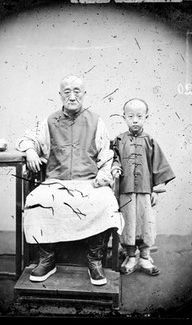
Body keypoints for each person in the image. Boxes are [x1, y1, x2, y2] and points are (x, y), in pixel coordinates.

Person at [16, 75, 124, 285]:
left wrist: (103, 175)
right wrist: (30, 150)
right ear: (60, 95)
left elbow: (106, 157)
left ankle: (94, 261)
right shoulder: (49, 121)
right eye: (67, 92)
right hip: (57, 181)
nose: (72, 96)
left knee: (107, 203)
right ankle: (47, 260)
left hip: (88, 182)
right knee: (36, 202)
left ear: (84, 94)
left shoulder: (96, 121)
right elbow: (27, 138)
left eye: (77, 91)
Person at [111, 98, 175, 276]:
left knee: (146, 223)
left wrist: (155, 189)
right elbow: (113, 158)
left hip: (146, 190)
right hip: (125, 190)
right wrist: (115, 167)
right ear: (124, 117)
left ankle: (145, 257)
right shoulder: (118, 140)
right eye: (130, 116)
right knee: (128, 223)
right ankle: (131, 256)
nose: (135, 120)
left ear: (146, 117)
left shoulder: (150, 140)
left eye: (139, 116)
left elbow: (158, 165)